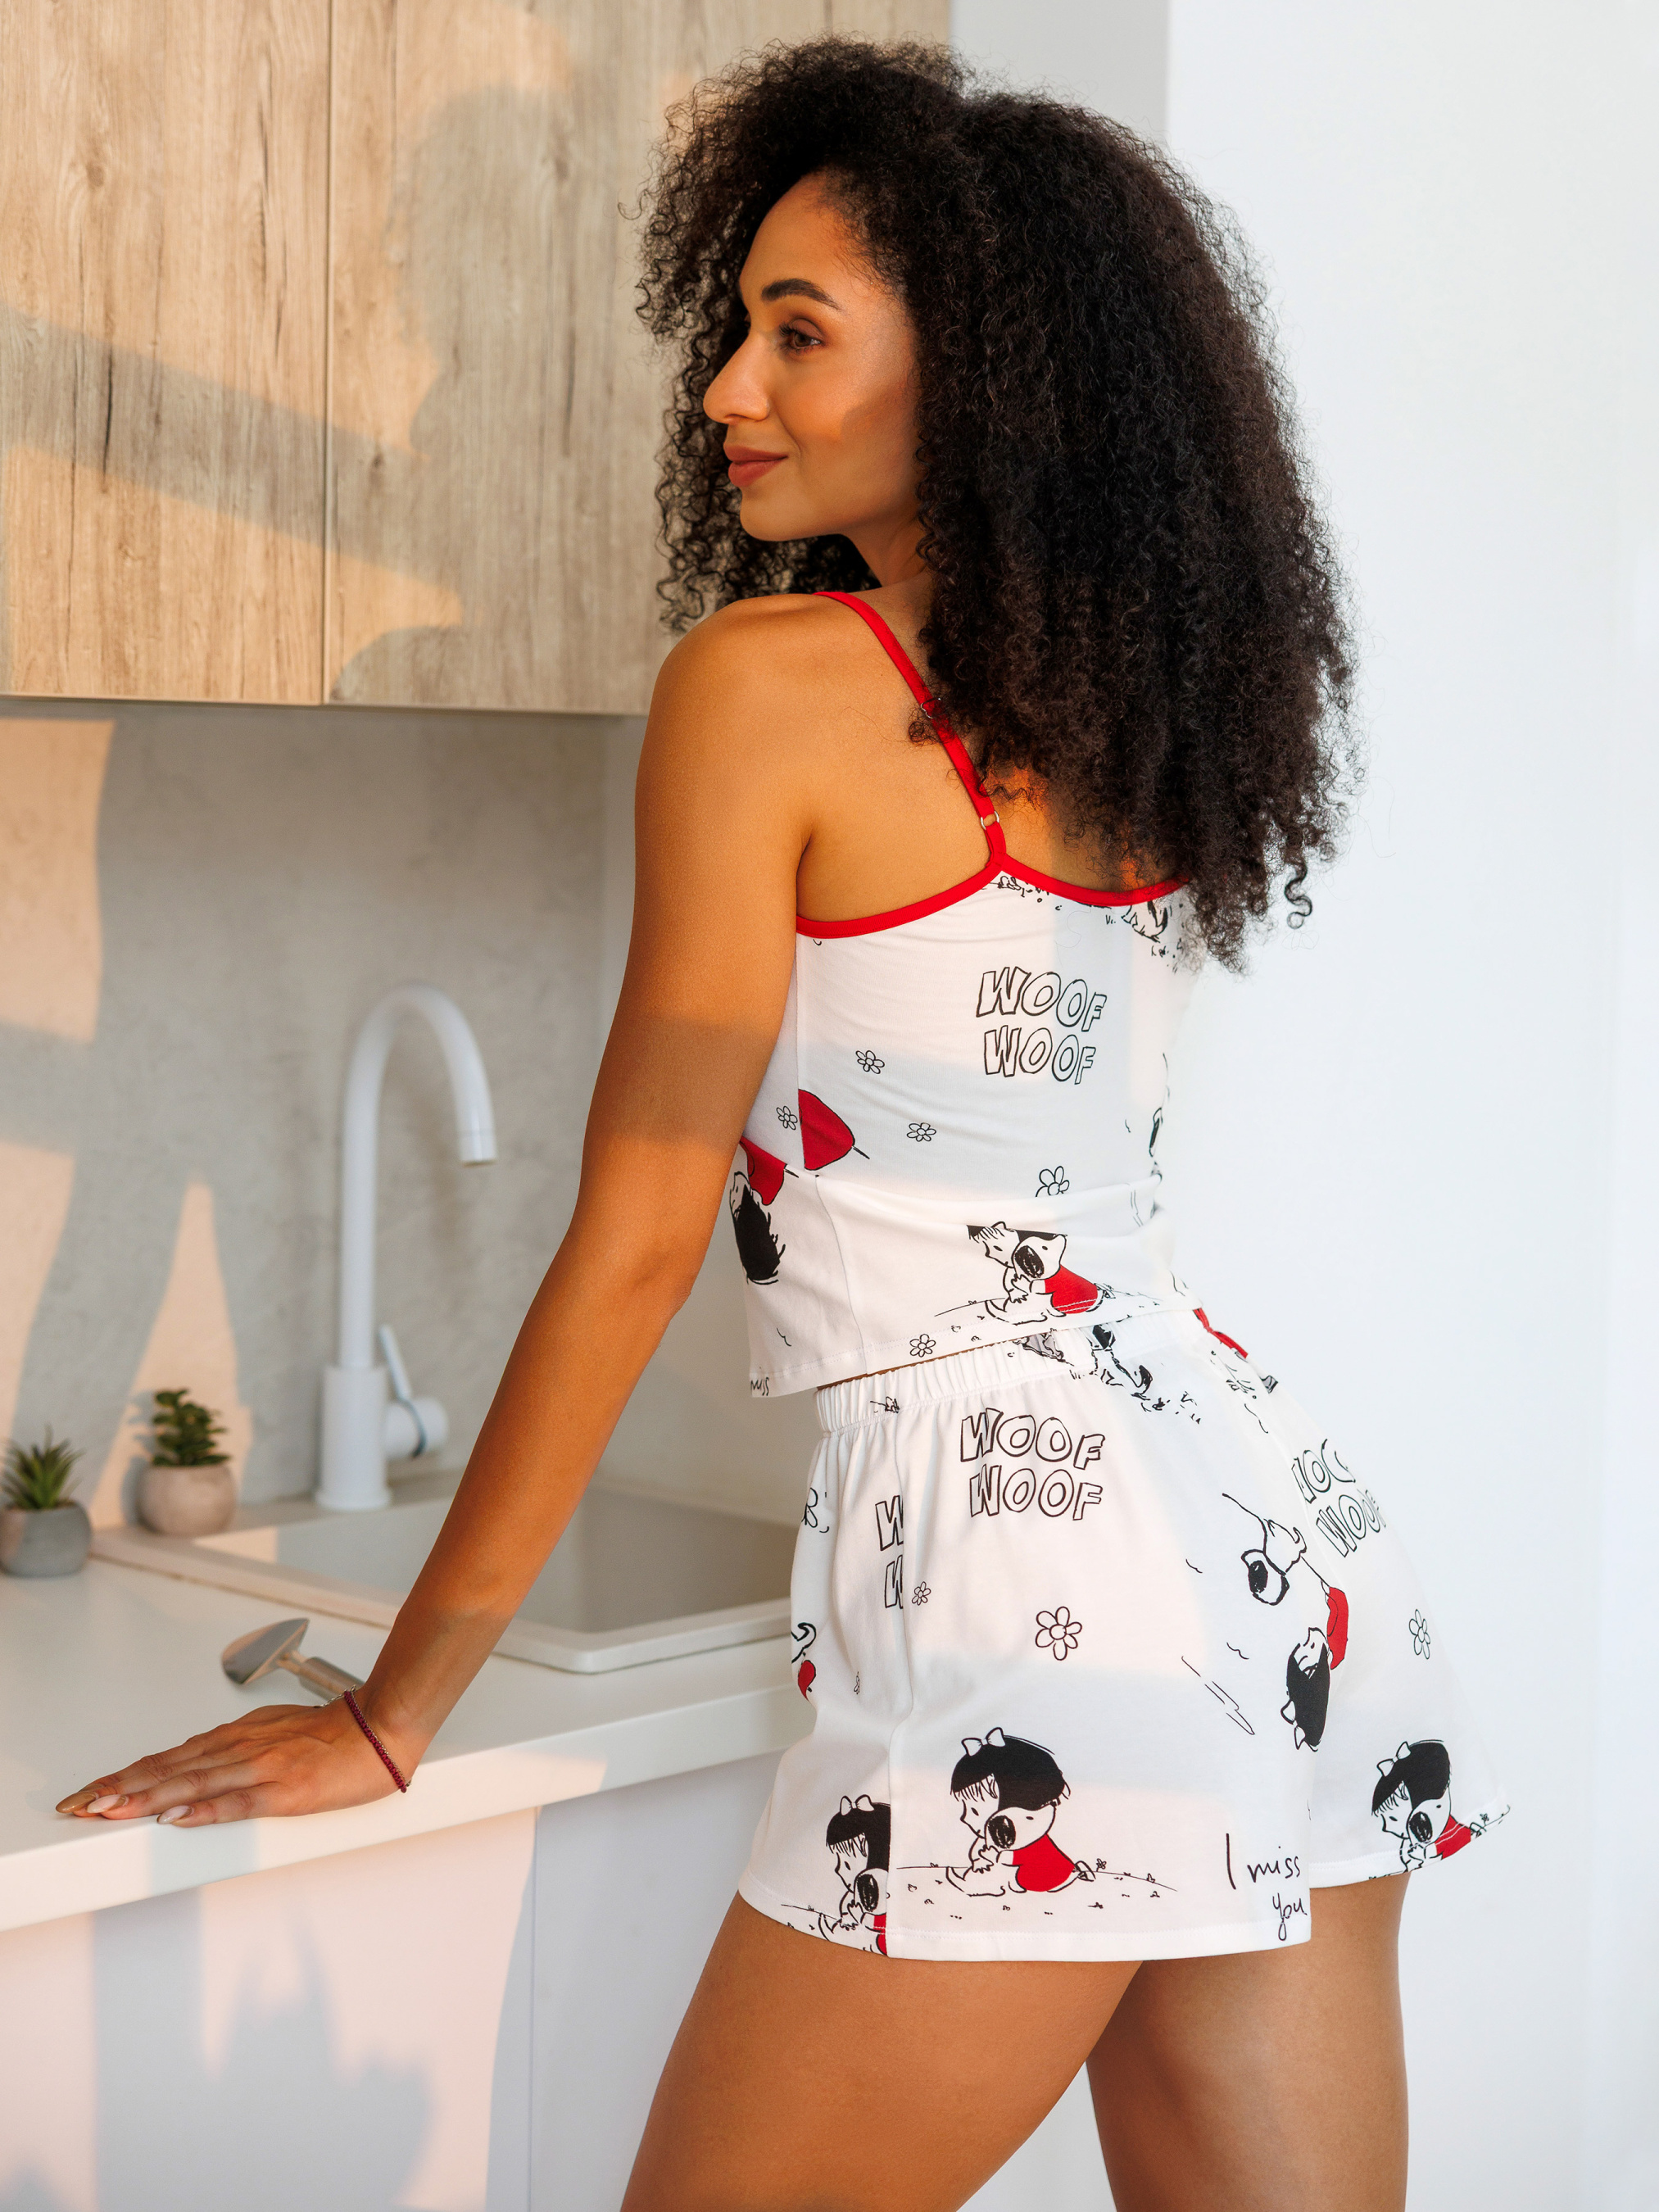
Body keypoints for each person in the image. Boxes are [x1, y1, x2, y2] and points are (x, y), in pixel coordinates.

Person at [57, 39, 1507, 2210]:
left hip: (1019, 1586)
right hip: (1272, 1547)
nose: (729, 386)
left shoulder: (766, 688)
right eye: (734, 325)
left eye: (797, 332)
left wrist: (389, 1709)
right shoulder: (1134, 701)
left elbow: (642, 1229)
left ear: (983, 373)